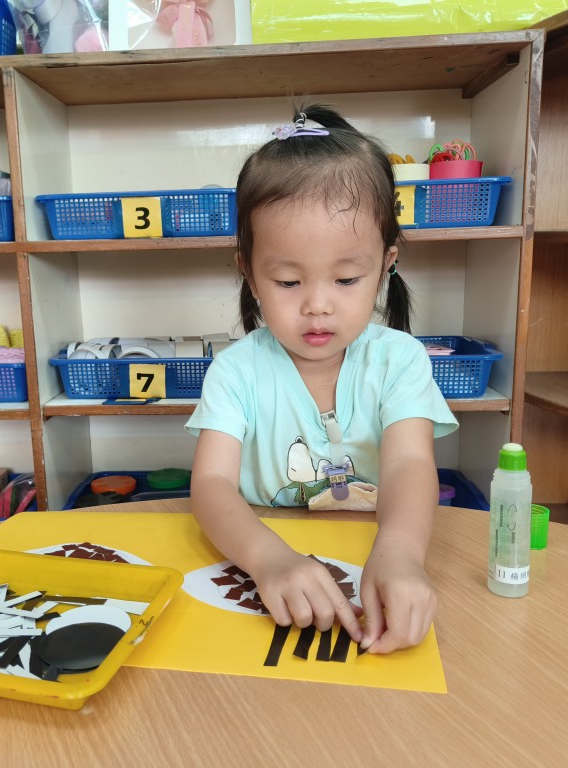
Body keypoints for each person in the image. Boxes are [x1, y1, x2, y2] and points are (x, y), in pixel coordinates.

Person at [185, 104, 458, 654]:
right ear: (249, 273)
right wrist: (267, 558)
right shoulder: (236, 370)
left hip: (372, 552)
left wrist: (402, 553)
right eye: (288, 281)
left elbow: (408, 464)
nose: (317, 305)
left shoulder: (400, 361)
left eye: (347, 278)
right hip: (263, 558)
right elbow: (211, 486)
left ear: (386, 264)